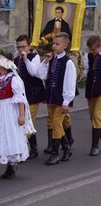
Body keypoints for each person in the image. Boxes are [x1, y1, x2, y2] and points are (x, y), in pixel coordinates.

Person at [0, 49, 35, 179]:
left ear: (2, 64)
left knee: (9, 134)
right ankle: (6, 160)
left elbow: (20, 99)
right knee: (1, 134)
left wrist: (21, 115)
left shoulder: (13, 79)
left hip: (9, 110)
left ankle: (12, 163)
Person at [37, 32, 76, 165]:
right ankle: (66, 148)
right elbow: (40, 74)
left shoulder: (68, 62)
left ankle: (55, 153)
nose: (54, 46)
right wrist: (45, 61)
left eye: (57, 44)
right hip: (52, 97)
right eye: (53, 43)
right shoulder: (52, 59)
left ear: (64, 46)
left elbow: (69, 83)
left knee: (56, 123)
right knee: (56, 124)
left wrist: (66, 101)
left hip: (61, 99)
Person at [14, 34, 46, 159]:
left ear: (29, 46)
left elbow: (34, 72)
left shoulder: (34, 57)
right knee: (24, 121)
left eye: (24, 47)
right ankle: (29, 148)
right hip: (22, 95)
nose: (21, 50)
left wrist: (26, 59)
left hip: (33, 93)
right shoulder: (16, 60)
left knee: (29, 121)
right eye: (19, 47)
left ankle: (31, 149)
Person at [84, 35, 101, 156]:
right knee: (92, 117)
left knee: (96, 116)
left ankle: (94, 146)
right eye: (90, 49)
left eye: (94, 49)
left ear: (100, 47)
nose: (92, 51)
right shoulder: (89, 57)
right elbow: (87, 72)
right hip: (90, 90)